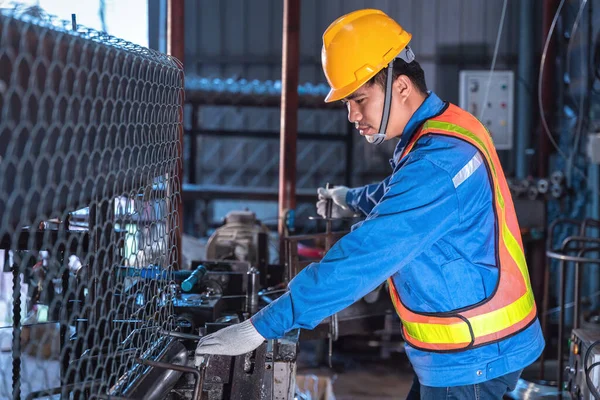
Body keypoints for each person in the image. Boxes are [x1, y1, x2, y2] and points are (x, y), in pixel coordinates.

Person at [195, 9, 545, 399]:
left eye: (359, 99)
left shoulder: (435, 162)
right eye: (347, 102)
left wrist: (260, 327)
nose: (352, 115)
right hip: (476, 345)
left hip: (472, 355)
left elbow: (367, 254)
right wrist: (349, 199)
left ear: (401, 87)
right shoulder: (446, 128)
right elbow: (400, 191)